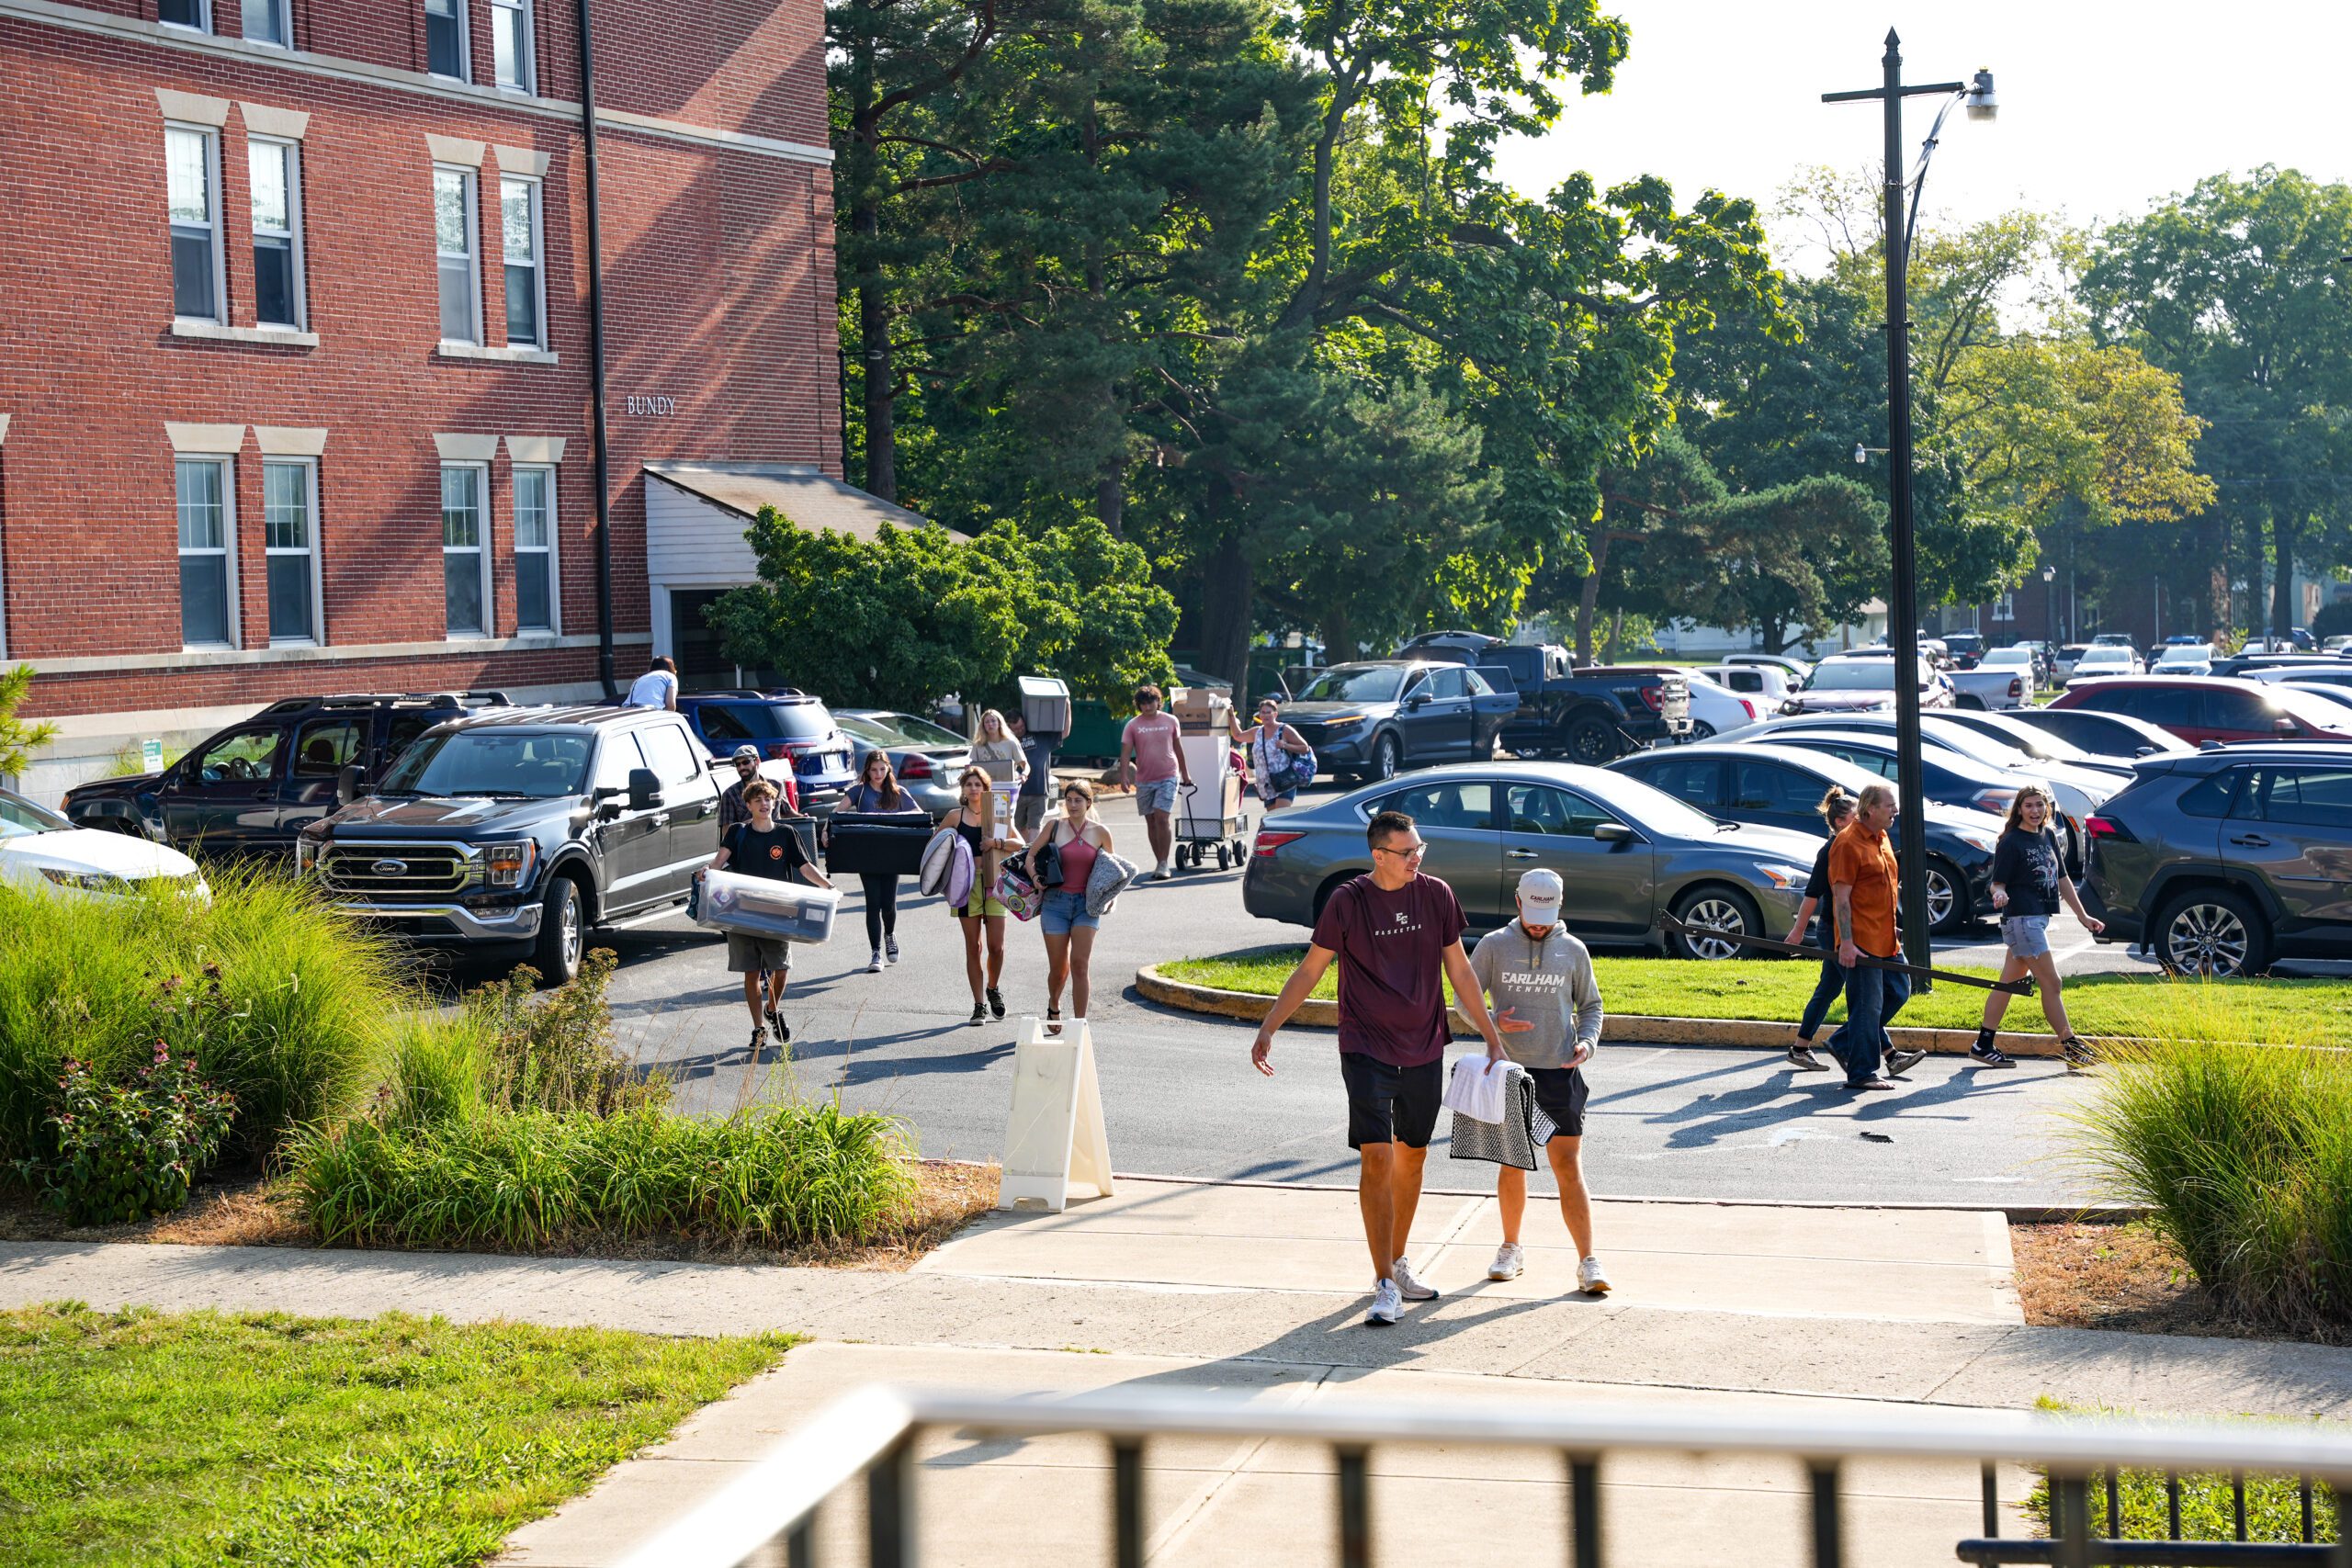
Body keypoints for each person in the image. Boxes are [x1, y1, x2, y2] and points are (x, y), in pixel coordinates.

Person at [1250, 809, 1510, 1326]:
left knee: (1412, 1156)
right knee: (1375, 1158)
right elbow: (1311, 969)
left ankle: (1397, 1260)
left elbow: (1458, 967)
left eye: (1420, 850)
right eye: (1408, 851)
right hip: (1365, 1045)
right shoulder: (1348, 902)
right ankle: (1384, 1284)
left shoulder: (1436, 894)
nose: (1417, 858)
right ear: (1379, 855)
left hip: (1425, 1044)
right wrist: (1269, 1026)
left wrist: (1491, 1035)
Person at [1468, 869, 1612, 1295]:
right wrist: (1493, 1021)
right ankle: (1511, 1248)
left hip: (1560, 1073)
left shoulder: (1573, 950)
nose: (1537, 923)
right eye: (1531, 913)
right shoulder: (1493, 946)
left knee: (1568, 1167)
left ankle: (1588, 1261)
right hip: (1510, 1072)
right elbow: (1464, 997)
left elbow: (1591, 1006)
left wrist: (1587, 1043)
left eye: (1544, 915)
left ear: (1558, 906)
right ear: (1517, 901)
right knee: (1512, 1163)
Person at [1973, 784, 2107, 1070]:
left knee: (2007, 984)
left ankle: (1983, 1044)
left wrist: (2083, 917)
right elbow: (1997, 881)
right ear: (2019, 809)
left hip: (2037, 920)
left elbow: (2063, 879)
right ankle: (2071, 1046)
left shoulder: (2047, 835)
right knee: (2052, 983)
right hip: (2022, 920)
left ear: (2048, 809)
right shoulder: (2011, 842)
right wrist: (1999, 894)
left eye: (2040, 805)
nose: (2035, 811)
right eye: (2029, 805)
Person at [703, 778, 831, 1055]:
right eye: (758, 800)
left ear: (775, 803)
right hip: (742, 912)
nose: (764, 803)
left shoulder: (785, 834)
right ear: (748, 805)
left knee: (781, 968)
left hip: (778, 912)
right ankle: (758, 1028)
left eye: (768, 799)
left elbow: (804, 866)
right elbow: (719, 861)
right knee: (751, 972)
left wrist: (828, 887)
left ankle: (772, 1008)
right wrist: (708, 870)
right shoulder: (738, 832)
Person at [1823, 784, 1926, 1091]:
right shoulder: (1847, 843)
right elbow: (1841, 898)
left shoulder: (1880, 837)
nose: (1895, 811)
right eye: (1889, 806)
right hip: (1862, 940)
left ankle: (1843, 1041)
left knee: (1898, 991)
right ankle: (1861, 1073)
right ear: (1870, 809)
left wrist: (1892, 924)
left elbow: (1884, 887)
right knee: (1867, 1006)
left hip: (1885, 936)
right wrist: (1848, 942)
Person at [1023, 777, 1114, 1036]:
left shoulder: (1101, 832)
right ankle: (1054, 1003)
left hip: (1087, 906)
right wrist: (1034, 877)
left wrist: (1110, 898)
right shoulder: (1054, 826)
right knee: (1058, 967)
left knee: (1080, 965)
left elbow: (1112, 872)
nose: (1073, 805)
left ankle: (1079, 1025)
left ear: (1088, 803)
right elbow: (1031, 854)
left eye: (1078, 800)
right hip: (1055, 903)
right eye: (1069, 800)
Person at [1781, 787, 1858, 1072]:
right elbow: (1812, 894)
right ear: (1840, 821)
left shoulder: (1851, 845)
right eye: (1856, 815)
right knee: (1862, 992)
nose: (1861, 819)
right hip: (1832, 931)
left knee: (1828, 989)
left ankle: (1800, 1048)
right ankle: (1888, 1053)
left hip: (1839, 930)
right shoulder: (1831, 850)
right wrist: (1798, 931)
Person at [942, 765, 1023, 1026]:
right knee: (973, 947)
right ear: (963, 789)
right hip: (966, 885)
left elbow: (1020, 844)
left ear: (985, 788)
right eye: (969, 784)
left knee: (996, 947)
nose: (974, 789)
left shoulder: (997, 813)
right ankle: (979, 1005)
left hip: (994, 882)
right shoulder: (955, 816)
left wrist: (996, 843)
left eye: (978, 784)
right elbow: (937, 847)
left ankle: (993, 988)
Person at [844, 749, 926, 973]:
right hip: (867, 854)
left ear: (888, 768)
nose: (878, 773)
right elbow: (837, 812)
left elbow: (919, 815)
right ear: (867, 771)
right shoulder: (859, 792)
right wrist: (826, 829)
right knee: (873, 903)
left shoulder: (898, 792)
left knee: (888, 904)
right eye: (873, 769)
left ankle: (889, 934)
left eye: (882, 768)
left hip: (893, 854)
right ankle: (876, 952)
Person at [1119, 684, 1192, 881]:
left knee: (1161, 817)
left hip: (1168, 775)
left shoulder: (1171, 720)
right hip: (1144, 779)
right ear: (1139, 705)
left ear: (1158, 701)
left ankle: (1164, 863)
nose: (1147, 706)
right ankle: (1159, 860)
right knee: (1150, 821)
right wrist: (1124, 775)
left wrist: (1185, 773)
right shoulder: (1133, 725)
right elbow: (1125, 752)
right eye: (1143, 703)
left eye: (1150, 701)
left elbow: (1178, 747)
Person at [1228, 696, 1314, 810]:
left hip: (1284, 780)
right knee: (1272, 820)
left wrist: (1285, 745)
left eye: (1269, 712)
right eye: (1263, 712)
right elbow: (1238, 736)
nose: (1265, 715)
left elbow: (1304, 748)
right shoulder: (1257, 732)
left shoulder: (1284, 730)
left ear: (1275, 714)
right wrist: (1231, 716)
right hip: (1266, 784)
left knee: (1280, 816)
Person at [717, 745, 798, 840]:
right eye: (737, 764)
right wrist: (753, 823)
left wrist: (804, 817)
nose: (741, 767)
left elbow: (787, 813)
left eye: (745, 762)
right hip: (748, 846)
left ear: (757, 761)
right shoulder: (729, 794)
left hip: (776, 842)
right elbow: (726, 832)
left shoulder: (776, 786)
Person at [1012, 714, 1054, 837]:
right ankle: (1024, 854)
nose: (1020, 730)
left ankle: (1032, 854)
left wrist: (1067, 707)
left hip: (1039, 791)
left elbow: (1065, 732)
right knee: (1018, 827)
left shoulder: (1039, 735)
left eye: (1021, 726)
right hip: (1018, 791)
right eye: (1016, 729)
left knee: (1035, 827)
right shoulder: (1009, 741)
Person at [971, 708, 1029, 790]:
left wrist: (1024, 775)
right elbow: (972, 768)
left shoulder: (1011, 742)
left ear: (999, 723)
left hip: (1007, 789)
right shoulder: (978, 745)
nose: (990, 724)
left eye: (993, 721)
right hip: (985, 789)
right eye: (987, 722)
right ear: (983, 726)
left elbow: (1025, 765)